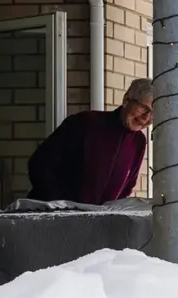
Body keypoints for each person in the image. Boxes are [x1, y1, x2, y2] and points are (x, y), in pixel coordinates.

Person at [25, 78, 153, 205]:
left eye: (154, 112)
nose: (146, 117)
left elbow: (128, 187)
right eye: (143, 108)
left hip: (96, 220)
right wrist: (64, 207)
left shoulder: (139, 142)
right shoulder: (85, 123)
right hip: (55, 215)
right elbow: (40, 165)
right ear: (126, 100)